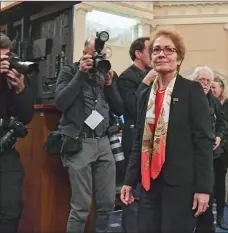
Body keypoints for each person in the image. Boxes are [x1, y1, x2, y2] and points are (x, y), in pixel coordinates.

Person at [120, 28, 214, 233]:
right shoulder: (145, 95)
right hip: (148, 184)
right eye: (156, 50)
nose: (161, 54)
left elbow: (203, 142)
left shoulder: (192, 90)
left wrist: (203, 189)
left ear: (178, 58)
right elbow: (139, 141)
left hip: (180, 185)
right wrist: (128, 181)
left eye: (168, 50)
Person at [55, 36, 124, 233]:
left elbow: (119, 109)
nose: (98, 58)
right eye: (95, 54)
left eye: (102, 55)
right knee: (81, 207)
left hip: (103, 142)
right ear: (85, 52)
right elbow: (61, 103)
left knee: (107, 203)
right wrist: (81, 74)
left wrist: (110, 85)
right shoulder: (70, 71)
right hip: (79, 141)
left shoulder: (107, 74)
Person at [117, 37, 157, 233]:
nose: (156, 54)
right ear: (138, 53)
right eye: (152, 50)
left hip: (152, 139)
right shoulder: (127, 77)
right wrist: (146, 81)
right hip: (133, 139)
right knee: (132, 191)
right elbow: (133, 108)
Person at [0, 33, 36, 232]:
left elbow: (26, 116)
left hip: (5, 150)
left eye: (7, 57)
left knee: (11, 209)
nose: (6, 63)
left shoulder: (13, 77)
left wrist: (21, 89)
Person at [192, 66, 228, 233]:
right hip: (192, 157)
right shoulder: (188, 99)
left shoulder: (213, 100)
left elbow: (222, 123)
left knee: (209, 194)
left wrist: (219, 137)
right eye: (202, 80)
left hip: (213, 156)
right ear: (194, 81)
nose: (205, 83)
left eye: (208, 81)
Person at [211, 75, 228, 229]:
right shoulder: (204, 101)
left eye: (214, 87)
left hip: (223, 149)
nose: (212, 89)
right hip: (207, 148)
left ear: (221, 89)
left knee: (219, 183)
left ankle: (220, 217)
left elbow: (223, 124)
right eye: (210, 86)